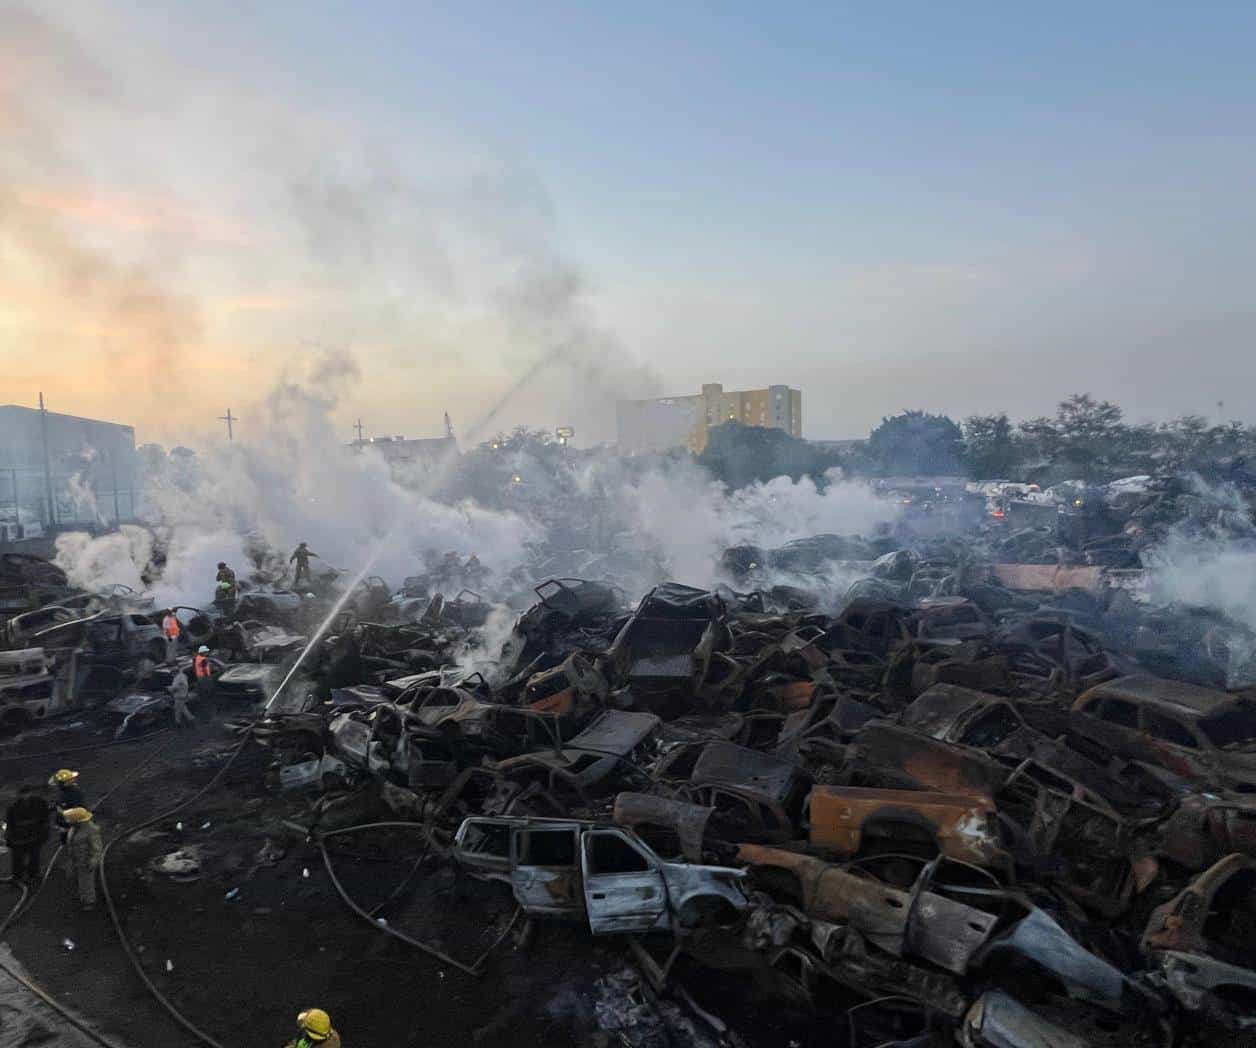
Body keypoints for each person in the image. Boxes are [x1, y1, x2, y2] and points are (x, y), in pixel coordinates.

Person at [4, 784, 51, 885]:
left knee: (34, 858)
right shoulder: (13, 808)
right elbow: (10, 826)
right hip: (19, 839)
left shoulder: (40, 803)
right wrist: (9, 840)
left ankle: (33, 875)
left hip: (35, 837)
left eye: (27, 793)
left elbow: (45, 820)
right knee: (17, 859)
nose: (26, 796)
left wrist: (44, 835)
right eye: (23, 794)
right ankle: (17, 876)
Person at [62, 807, 103, 910]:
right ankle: (83, 896)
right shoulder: (74, 829)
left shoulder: (91, 831)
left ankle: (89, 901)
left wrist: (93, 861)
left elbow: (97, 849)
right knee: (79, 879)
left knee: (87, 882)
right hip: (76, 859)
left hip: (86, 861)